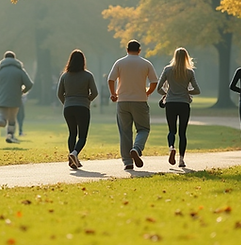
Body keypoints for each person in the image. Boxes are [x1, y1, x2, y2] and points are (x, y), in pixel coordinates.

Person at [108, 40, 158, 170]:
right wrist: (147, 92)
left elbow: (111, 79)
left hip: (123, 101)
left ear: (127, 49)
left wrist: (113, 94)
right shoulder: (146, 63)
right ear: (139, 50)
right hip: (140, 101)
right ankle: (136, 148)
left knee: (125, 131)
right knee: (143, 129)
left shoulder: (119, 62)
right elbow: (154, 81)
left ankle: (127, 161)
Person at [157, 47, 201, 168]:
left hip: (170, 103)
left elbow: (158, 88)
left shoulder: (167, 70)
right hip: (184, 104)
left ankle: (171, 147)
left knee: (172, 130)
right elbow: (197, 90)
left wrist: (166, 94)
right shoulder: (189, 72)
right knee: (182, 132)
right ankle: (181, 160)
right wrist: (187, 91)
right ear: (186, 58)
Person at [56, 50, 99, 169]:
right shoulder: (88, 75)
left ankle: (73, 159)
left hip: (68, 107)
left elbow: (59, 93)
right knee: (82, 136)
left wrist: (67, 103)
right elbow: (94, 93)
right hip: (83, 107)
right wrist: (87, 100)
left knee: (72, 133)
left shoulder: (64, 75)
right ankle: (74, 154)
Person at [0, 51, 33, 143]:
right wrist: (22, 91)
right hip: (15, 98)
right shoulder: (19, 70)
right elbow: (29, 84)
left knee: (2, 118)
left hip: (2, 99)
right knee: (12, 119)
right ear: (14, 59)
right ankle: (10, 135)